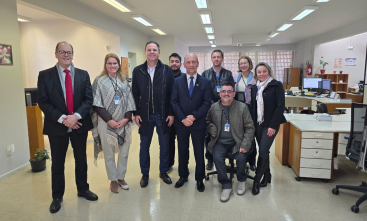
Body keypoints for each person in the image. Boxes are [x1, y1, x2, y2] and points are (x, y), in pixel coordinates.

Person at [37, 41, 98, 214]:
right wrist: (63, 118)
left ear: (73, 54)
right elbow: (43, 101)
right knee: (57, 163)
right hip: (57, 126)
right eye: (62, 52)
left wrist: (76, 116)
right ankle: (57, 196)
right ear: (55, 54)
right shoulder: (45, 75)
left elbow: (88, 100)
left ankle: (83, 189)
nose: (66, 55)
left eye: (69, 52)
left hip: (79, 124)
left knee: (81, 160)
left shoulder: (82, 74)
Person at [91, 53, 136, 193]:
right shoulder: (99, 81)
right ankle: (112, 179)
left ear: (119, 65)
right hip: (106, 123)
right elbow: (96, 104)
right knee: (109, 153)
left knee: (124, 152)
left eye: (115, 63)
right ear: (105, 65)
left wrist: (126, 118)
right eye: (109, 63)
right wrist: (110, 120)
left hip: (124, 123)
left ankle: (121, 177)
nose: (112, 66)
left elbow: (130, 101)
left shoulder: (124, 80)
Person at [132, 41, 175, 188]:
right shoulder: (137, 71)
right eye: (149, 50)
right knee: (144, 146)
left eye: (154, 50)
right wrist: (136, 113)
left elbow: (171, 94)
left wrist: (171, 113)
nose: (152, 52)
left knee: (164, 145)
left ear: (159, 52)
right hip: (145, 116)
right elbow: (135, 94)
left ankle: (163, 171)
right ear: (145, 52)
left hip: (162, 115)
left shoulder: (166, 70)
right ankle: (145, 173)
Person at [206, 82, 255, 202]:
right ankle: (226, 185)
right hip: (220, 141)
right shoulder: (214, 107)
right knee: (217, 157)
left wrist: (245, 145)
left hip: (237, 141)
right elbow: (207, 121)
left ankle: (241, 180)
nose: (226, 94)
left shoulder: (242, 107)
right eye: (224, 91)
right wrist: (211, 128)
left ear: (234, 94)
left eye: (229, 91)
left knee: (241, 158)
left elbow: (250, 127)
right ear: (220, 93)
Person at [171, 54, 212, 192]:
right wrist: (183, 118)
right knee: (182, 151)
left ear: (198, 63)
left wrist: (193, 116)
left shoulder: (205, 82)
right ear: (184, 65)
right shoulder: (176, 81)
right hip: (181, 123)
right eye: (188, 62)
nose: (191, 64)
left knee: (199, 151)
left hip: (198, 123)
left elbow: (207, 103)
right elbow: (174, 102)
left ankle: (199, 178)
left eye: (193, 62)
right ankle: (183, 176)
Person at [250, 62, 286, 195]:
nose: (261, 74)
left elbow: (280, 107)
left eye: (264, 71)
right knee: (263, 151)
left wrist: (273, 126)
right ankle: (268, 175)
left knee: (263, 149)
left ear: (269, 72)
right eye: (259, 72)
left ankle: (256, 180)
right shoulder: (255, 87)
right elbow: (254, 107)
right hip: (259, 123)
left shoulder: (276, 85)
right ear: (256, 74)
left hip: (271, 124)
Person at [202, 49, 235, 170]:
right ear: (211, 59)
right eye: (214, 57)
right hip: (210, 108)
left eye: (218, 57)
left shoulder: (228, 73)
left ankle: (225, 158)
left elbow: (231, 90)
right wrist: (211, 105)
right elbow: (203, 92)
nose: (216, 59)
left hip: (226, 108)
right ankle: (209, 160)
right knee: (209, 134)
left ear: (222, 59)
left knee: (224, 133)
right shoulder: (205, 73)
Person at [232, 56, 257, 171]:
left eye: (245, 63)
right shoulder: (235, 77)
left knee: (251, 136)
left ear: (249, 63)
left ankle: (252, 161)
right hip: (238, 109)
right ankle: (241, 159)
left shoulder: (255, 77)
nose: (243, 65)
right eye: (240, 63)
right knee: (239, 134)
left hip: (251, 109)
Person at [167, 53, 186, 172]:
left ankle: (183, 167)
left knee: (182, 143)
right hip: (167, 116)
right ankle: (169, 164)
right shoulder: (164, 77)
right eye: (172, 61)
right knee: (169, 142)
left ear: (180, 64)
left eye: (177, 61)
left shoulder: (184, 78)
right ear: (169, 63)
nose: (174, 63)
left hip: (181, 115)